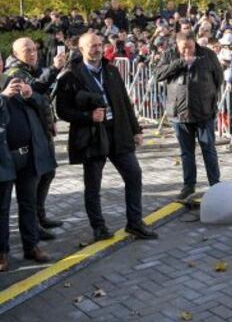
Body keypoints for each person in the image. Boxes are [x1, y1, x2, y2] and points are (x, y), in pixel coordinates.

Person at [55, 33, 157, 242]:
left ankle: (135, 223)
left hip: (118, 133)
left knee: (134, 175)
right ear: (81, 49)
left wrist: (136, 129)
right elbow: (62, 111)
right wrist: (88, 116)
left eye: (99, 45)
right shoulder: (71, 76)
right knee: (93, 185)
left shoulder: (111, 70)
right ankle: (99, 227)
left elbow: (125, 102)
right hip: (92, 136)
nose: (97, 49)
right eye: (92, 46)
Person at [3, 37, 67, 237]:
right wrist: (54, 69)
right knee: (36, 179)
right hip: (29, 136)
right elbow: (35, 92)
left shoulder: (31, 69)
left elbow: (43, 98)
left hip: (41, 129)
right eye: (27, 50)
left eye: (34, 49)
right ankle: (34, 225)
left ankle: (40, 216)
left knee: (48, 172)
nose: (33, 53)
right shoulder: (15, 73)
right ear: (15, 54)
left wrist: (51, 120)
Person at [154, 32, 225, 200]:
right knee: (186, 152)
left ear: (195, 43)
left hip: (203, 111)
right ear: (177, 45)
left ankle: (215, 184)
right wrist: (180, 63)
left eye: (190, 47)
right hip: (179, 113)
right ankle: (189, 185)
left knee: (209, 149)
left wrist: (208, 97)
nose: (187, 51)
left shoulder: (207, 54)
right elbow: (158, 75)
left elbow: (219, 78)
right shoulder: (170, 55)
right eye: (183, 48)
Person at [0, 75, 55, 270]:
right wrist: (3, 97)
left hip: (28, 156)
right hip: (3, 159)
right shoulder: (5, 91)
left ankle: (31, 246)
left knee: (28, 203)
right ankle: (2, 253)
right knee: (2, 208)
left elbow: (43, 105)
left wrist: (30, 95)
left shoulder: (14, 80)